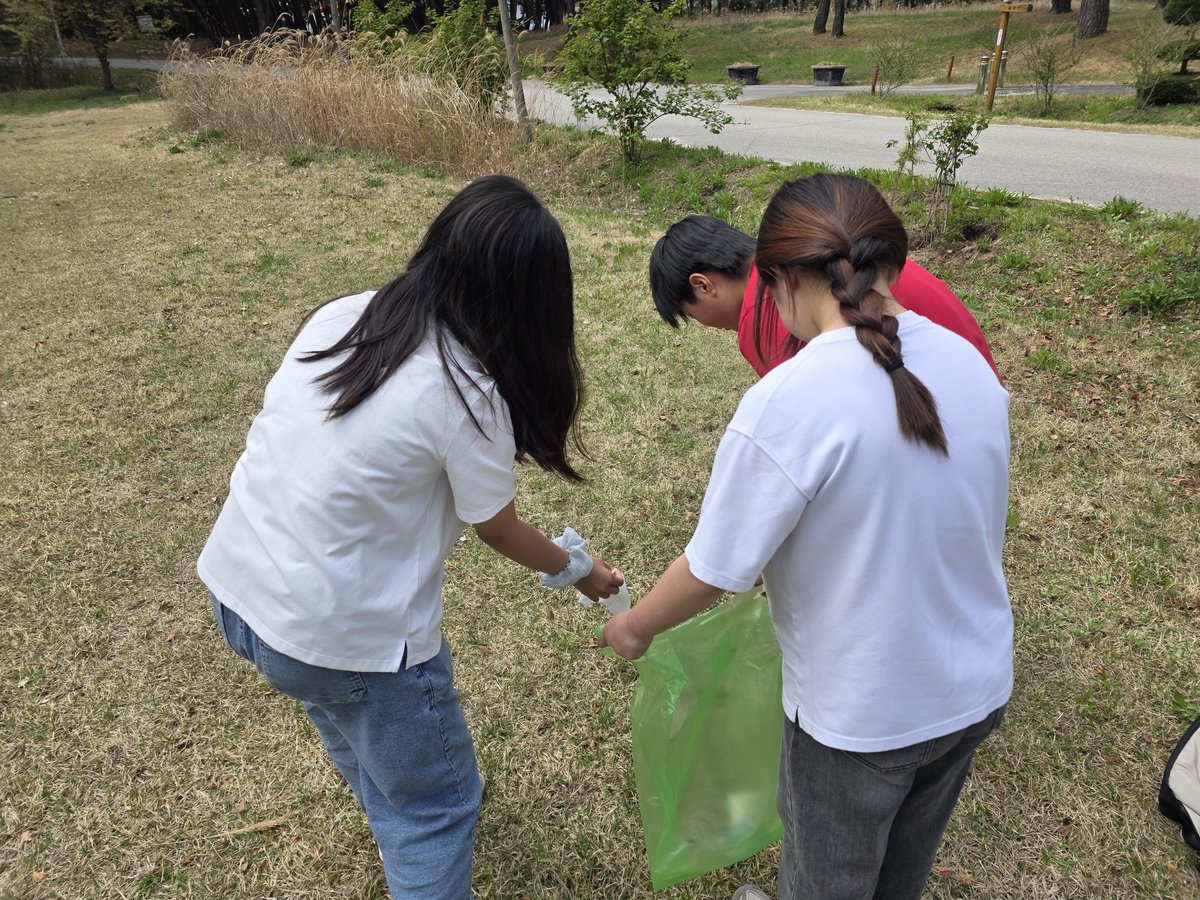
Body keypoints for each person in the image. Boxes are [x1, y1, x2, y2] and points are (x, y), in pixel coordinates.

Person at [198, 175, 623, 898]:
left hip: (241, 596)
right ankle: (409, 830)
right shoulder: (466, 394)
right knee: (435, 809)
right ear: (529, 301)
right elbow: (499, 528)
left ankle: (390, 802)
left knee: (354, 730)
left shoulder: (345, 314)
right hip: (344, 639)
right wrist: (581, 570)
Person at [604, 174, 1012, 900]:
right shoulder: (970, 366)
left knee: (827, 881)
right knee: (901, 874)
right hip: (975, 692)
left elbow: (713, 568)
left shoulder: (788, 400)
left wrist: (634, 628)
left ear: (781, 279)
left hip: (864, 714)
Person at [648, 214, 999, 379]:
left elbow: (805, 424)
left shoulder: (764, 309)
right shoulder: (811, 251)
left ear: (703, 285)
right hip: (976, 389)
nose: (706, 326)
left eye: (691, 314)